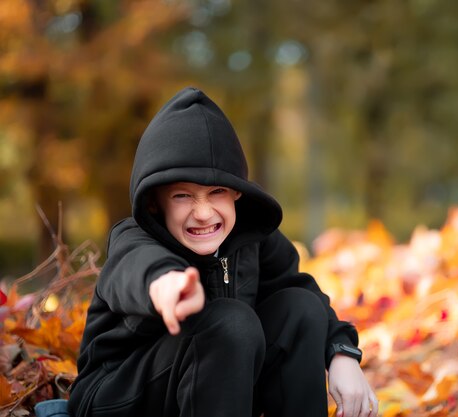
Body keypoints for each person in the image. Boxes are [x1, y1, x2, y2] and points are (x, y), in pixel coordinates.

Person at [68, 87, 378, 417]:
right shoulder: (135, 240)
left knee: (299, 309)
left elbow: (303, 292)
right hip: (119, 397)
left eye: (216, 192)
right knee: (229, 322)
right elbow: (134, 269)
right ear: (154, 203)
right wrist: (163, 284)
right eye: (182, 196)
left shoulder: (253, 238)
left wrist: (341, 354)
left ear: (236, 194)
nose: (203, 213)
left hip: (216, 390)